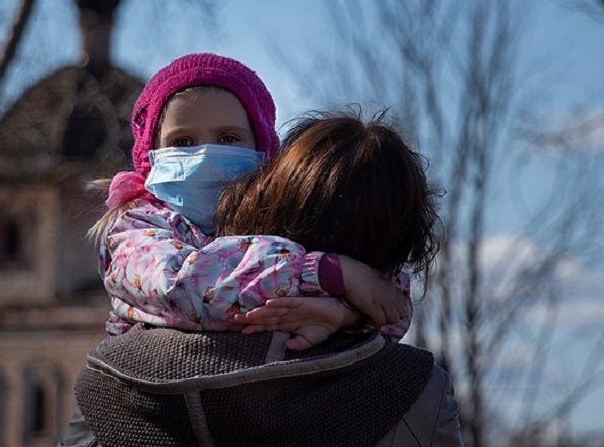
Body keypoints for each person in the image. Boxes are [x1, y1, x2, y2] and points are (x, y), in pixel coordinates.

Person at [59, 54, 412, 446]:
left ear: (263, 152)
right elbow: (187, 288)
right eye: (183, 142)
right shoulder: (135, 229)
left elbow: (390, 304)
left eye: (228, 138)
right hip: (133, 418)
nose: (206, 154)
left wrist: (342, 314)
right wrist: (326, 275)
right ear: (150, 155)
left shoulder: (274, 224)